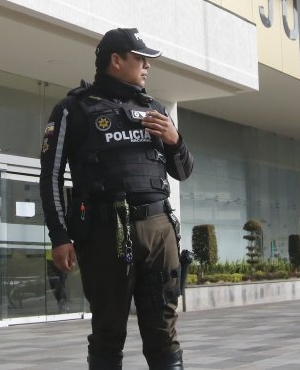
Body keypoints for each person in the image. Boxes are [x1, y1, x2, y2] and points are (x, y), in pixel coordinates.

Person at [40, 28, 194, 370]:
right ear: (116, 60)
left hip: (159, 229)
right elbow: (50, 176)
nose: (147, 67)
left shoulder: (154, 109)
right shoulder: (72, 109)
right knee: (108, 332)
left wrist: (174, 139)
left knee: (163, 331)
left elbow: (183, 172)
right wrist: (60, 237)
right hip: (106, 231)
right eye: (140, 59)